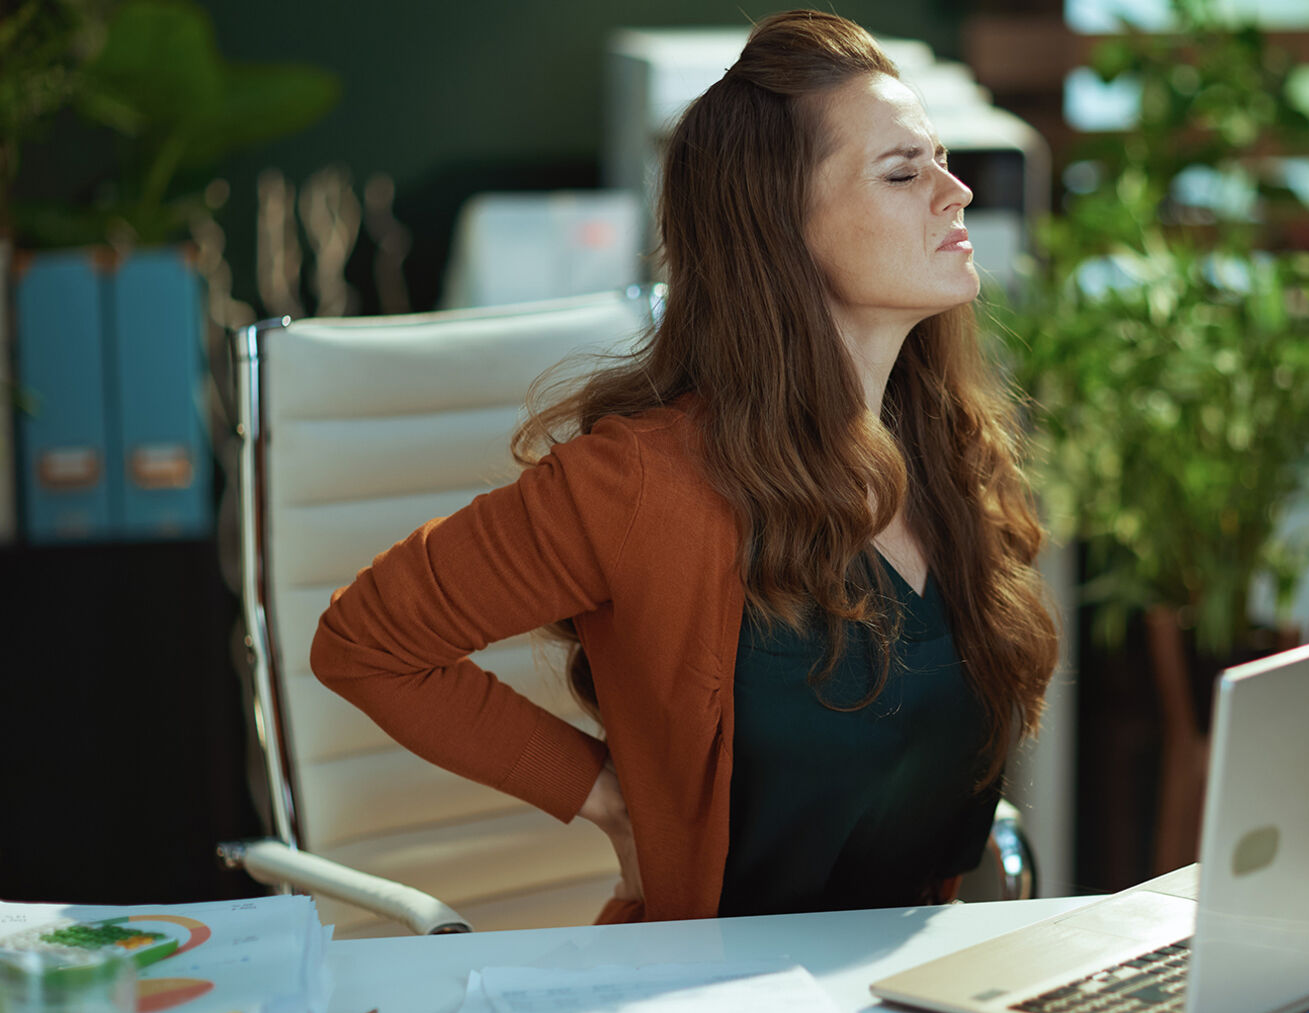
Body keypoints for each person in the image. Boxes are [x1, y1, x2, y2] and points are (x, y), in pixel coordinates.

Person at [309, 9, 1059, 925]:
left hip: (905, 997)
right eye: (904, 172)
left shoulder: (951, 456)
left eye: (940, 161)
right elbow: (365, 640)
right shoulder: (641, 483)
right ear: (778, 225)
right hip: (705, 1008)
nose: (956, 193)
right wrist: (605, 796)